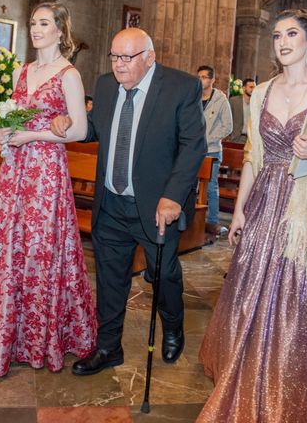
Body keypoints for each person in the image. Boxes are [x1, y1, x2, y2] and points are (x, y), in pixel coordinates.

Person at [198, 9, 307, 422]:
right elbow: (252, 157)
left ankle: (287, 382)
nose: (282, 42)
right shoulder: (261, 92)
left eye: (291, 34)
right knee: (252, 288)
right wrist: (239, 212)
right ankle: (246, 375)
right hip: (266, 198)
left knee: (296, 293)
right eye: (277, 36)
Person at [0, 2, 97, 377]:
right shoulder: (23, 70)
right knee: (4, 246)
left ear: (61, 30)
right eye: (33, 23)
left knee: (40, 247)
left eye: (44, 23)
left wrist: (29, 135)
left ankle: (39, 339)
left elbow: (78, 130)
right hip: (15, 171)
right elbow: (11, 114)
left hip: (46, 170)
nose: (35, 29)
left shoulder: (69, 74)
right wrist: (4, 133)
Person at [52, 27, 207, 376]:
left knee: (164, 274)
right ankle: (108, 347)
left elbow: (192, 146)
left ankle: (173, 326)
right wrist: (72, 123)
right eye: (114, 56)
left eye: (127, 58)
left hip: (155, 206)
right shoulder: (107, 86)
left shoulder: (180, 87)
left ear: (149, 57)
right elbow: (95, 129)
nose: (119, 66)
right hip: (112, 204)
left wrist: (173, 196)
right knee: (110, 278)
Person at [197, 65, 233, 238]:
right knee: (191, 185)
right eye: (199, 76)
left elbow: (228, 126)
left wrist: (208, 138)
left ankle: (212, 221)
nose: (201, 80)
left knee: (211, 187)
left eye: (204, 77)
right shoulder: (193, 97)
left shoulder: (221, 100)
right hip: (194, 150)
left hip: (211, 150)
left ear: (212, 80)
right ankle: (193, 221)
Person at [228, 78, 255, 144]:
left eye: (254, 87)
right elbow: (227, 119)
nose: (253, 90)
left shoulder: (256, 103)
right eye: (251, 87)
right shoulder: (233, 101)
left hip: (251, 140)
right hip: (236, 138)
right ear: (244, 88)